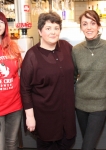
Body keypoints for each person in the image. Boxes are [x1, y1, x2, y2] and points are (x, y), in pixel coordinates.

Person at [20, 12, 76, 150]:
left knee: (67, 142)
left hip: (66, 114)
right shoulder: (32, 55)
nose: (53, 32)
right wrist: (30, 117)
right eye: (48, 28)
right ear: (40, 31)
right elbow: (25, 88)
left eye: (56, 28)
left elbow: (75, 71)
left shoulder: (66, 47)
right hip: (44, 116)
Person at [72, 10, 106, 150]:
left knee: (87, 146)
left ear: (98, 26)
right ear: (81, 27)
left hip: (100, 105)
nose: (89, 27)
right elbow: (72, 76)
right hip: (80, 104)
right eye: (85, 24)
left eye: (92, 23)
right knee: (89, 143)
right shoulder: (76, 50)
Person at [0, 12, 22, 150]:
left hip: (14, 104)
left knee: (12, 143)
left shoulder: (13, 47)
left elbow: (20, 72)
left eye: (1, 22)